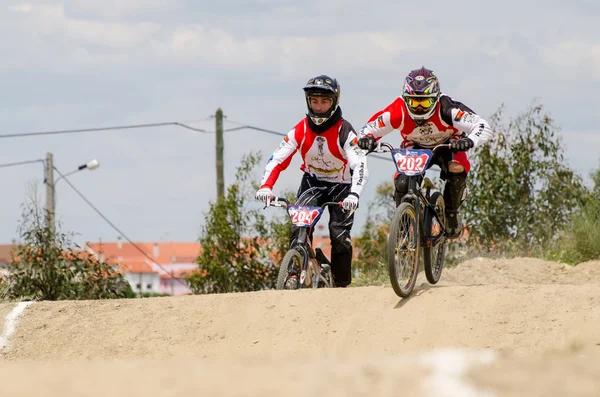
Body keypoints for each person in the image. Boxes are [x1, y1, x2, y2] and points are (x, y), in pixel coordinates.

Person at [255, 74, 369, 287]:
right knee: (299, 226)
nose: (318, 107)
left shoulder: (345, 131)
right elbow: (277, 159)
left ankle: (342, 286)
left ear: (334, 102)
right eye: (314, 101)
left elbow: (359, 165)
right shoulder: (300, 129)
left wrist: (355, 194)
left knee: (339, 236)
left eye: (324, 101)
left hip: (342, 186)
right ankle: (292, 274)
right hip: (313, 183)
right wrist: (265, 187)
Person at [357, 66, 494, 239]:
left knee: (456, 167)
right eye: (415, 102)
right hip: (416, 145)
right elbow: (368, 129)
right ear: (406, 100)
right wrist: (366, 139)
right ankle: (404, 225)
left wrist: (469, 140)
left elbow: (483, 126)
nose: (420, 108)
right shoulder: (397, 110)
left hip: (448, 144)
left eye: (425, 102)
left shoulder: (447, 108)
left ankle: (451, 213)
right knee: (402, 181)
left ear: (436, 99)